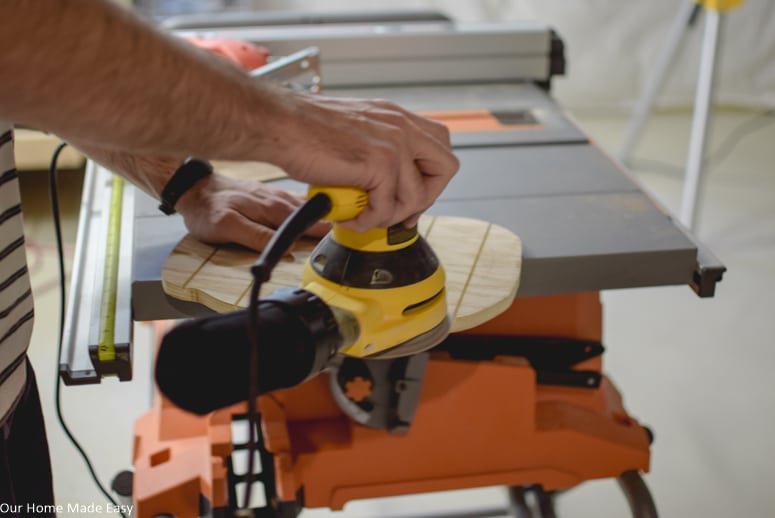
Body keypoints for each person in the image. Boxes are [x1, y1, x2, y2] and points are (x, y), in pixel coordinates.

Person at [0, 0, 459, 510]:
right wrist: (288, 121)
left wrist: (181, 180)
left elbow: (32, 63)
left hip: (10, 381)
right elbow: (19, 31)